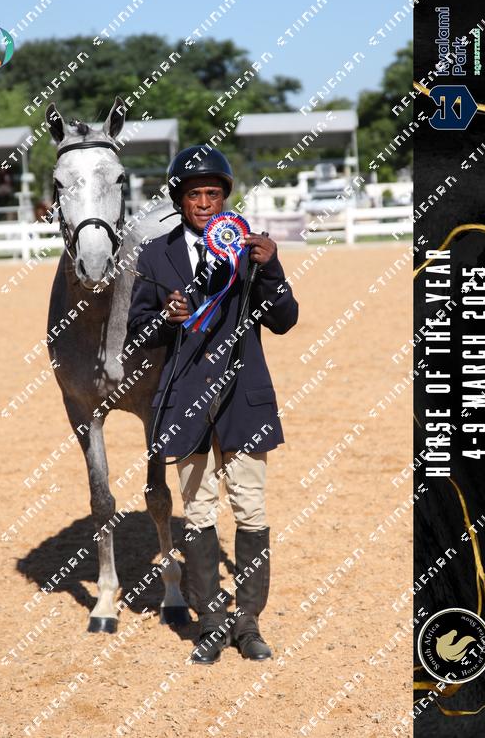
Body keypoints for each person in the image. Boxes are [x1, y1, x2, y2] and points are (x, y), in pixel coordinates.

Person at [127, 146, 298, 664]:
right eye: (194, 194)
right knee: (198, 512)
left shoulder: (248, 247)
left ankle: (248, 623)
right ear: (178, 199)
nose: (204, 203)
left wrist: (272, 268)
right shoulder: (154, 255)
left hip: (243, 399)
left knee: (251, 508)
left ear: (224, 197)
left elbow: (284, 320)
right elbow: (137, 333)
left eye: (213, 193)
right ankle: (210, 622)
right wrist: (166, 319)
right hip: (185, 400)